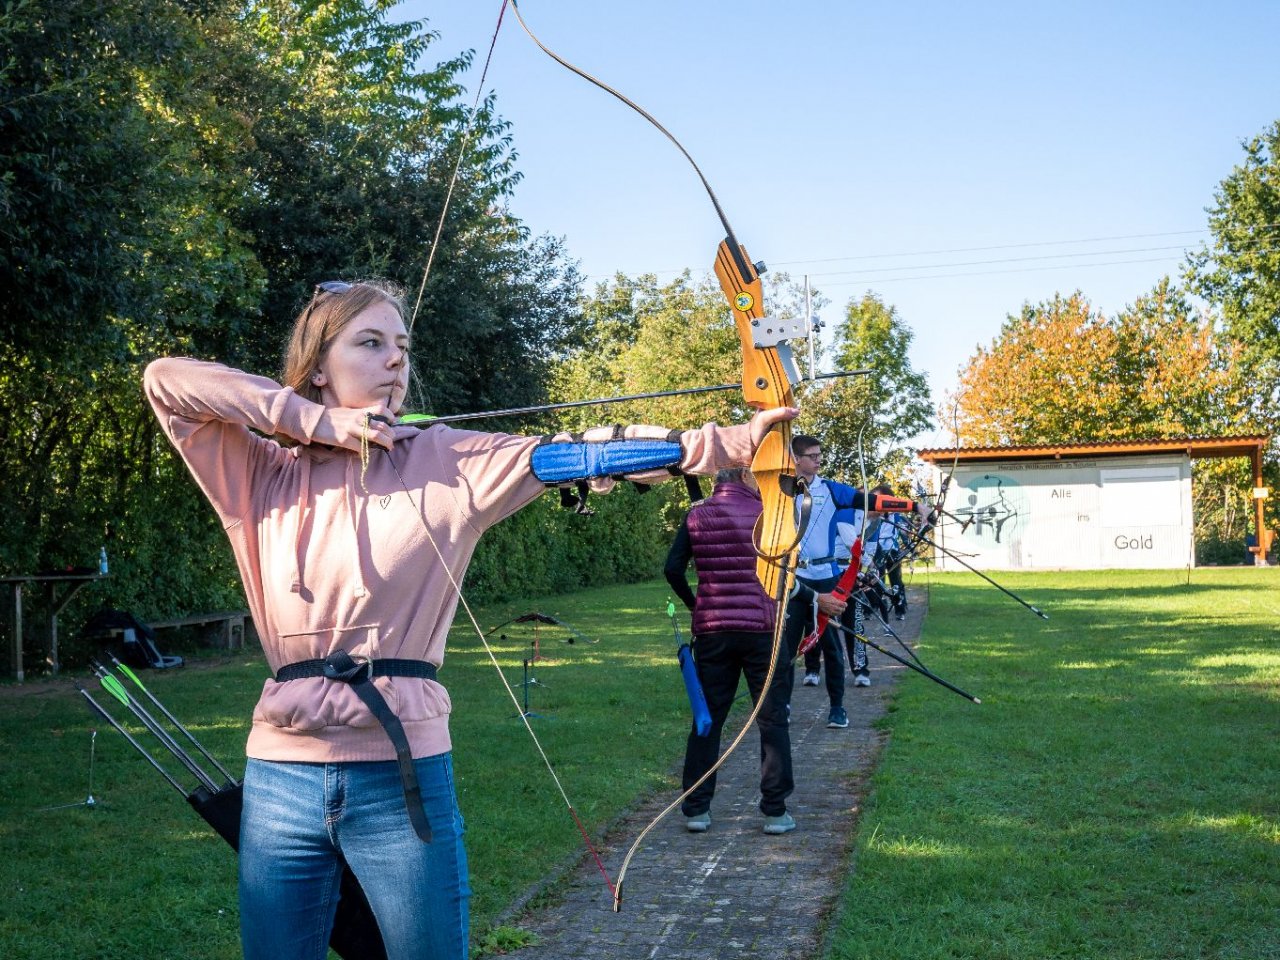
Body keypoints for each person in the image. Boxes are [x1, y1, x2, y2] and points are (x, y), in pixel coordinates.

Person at [143, 279, 797, 960]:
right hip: (280, 778)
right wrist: (313, 423)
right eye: (370, 343)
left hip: (401, 779)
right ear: (316, 366)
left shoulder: (446, 459)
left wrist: (722, 445)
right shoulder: (258, 474)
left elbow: (572, 453)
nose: (396, 360)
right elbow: (166, 380)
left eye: (402, 346)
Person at [664, 467, 846, 835]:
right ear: (747, 480)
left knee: (707, 717)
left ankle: (697, 809)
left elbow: (672, 569)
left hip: (713, 629)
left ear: (718, 483)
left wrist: (695, 602)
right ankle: (775, 811)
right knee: (772, 719)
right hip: (762, 630)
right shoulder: (768, 516)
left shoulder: (697, 514)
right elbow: (784, 577)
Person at [785, 435, 931, 728]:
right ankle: (783, 706)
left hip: (827, 578)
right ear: (796, 459)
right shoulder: (780, 489)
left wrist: (916, 507)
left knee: (832, 646)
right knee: (786, 648)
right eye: (812, 455)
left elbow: (872, 500)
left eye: (819, 455)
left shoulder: (830, 489)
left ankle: (837, 708)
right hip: (794, 579)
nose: (818, 460)